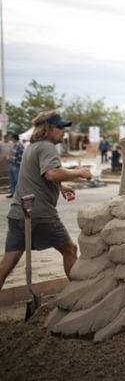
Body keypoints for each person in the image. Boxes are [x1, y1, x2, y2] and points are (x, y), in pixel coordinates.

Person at [0, 111, 92, 290]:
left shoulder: (32, 148)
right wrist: (80, 172)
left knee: (6, 265)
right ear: (47, 129)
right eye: (59, 127)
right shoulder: (47, 147)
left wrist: (61, 187)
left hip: (19, 213)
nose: (63, 131)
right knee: (70, 249)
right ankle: (77, 294)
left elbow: (37, 176)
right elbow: (51, 173)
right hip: (40, 214)